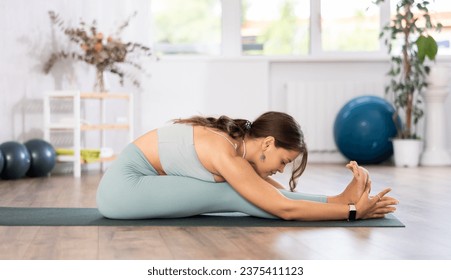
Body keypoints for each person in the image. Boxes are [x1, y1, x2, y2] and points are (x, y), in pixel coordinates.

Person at [96, 111, 398, 221]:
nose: (281, 170)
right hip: (123, 190)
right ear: (267, 143)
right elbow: (283, 208)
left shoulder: (234, 146)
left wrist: (339, 199)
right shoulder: (225, 153)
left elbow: (272, 193)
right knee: (232, 193)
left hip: (129, 187)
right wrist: (351, 212)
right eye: (283, 161)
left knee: (244, 191)